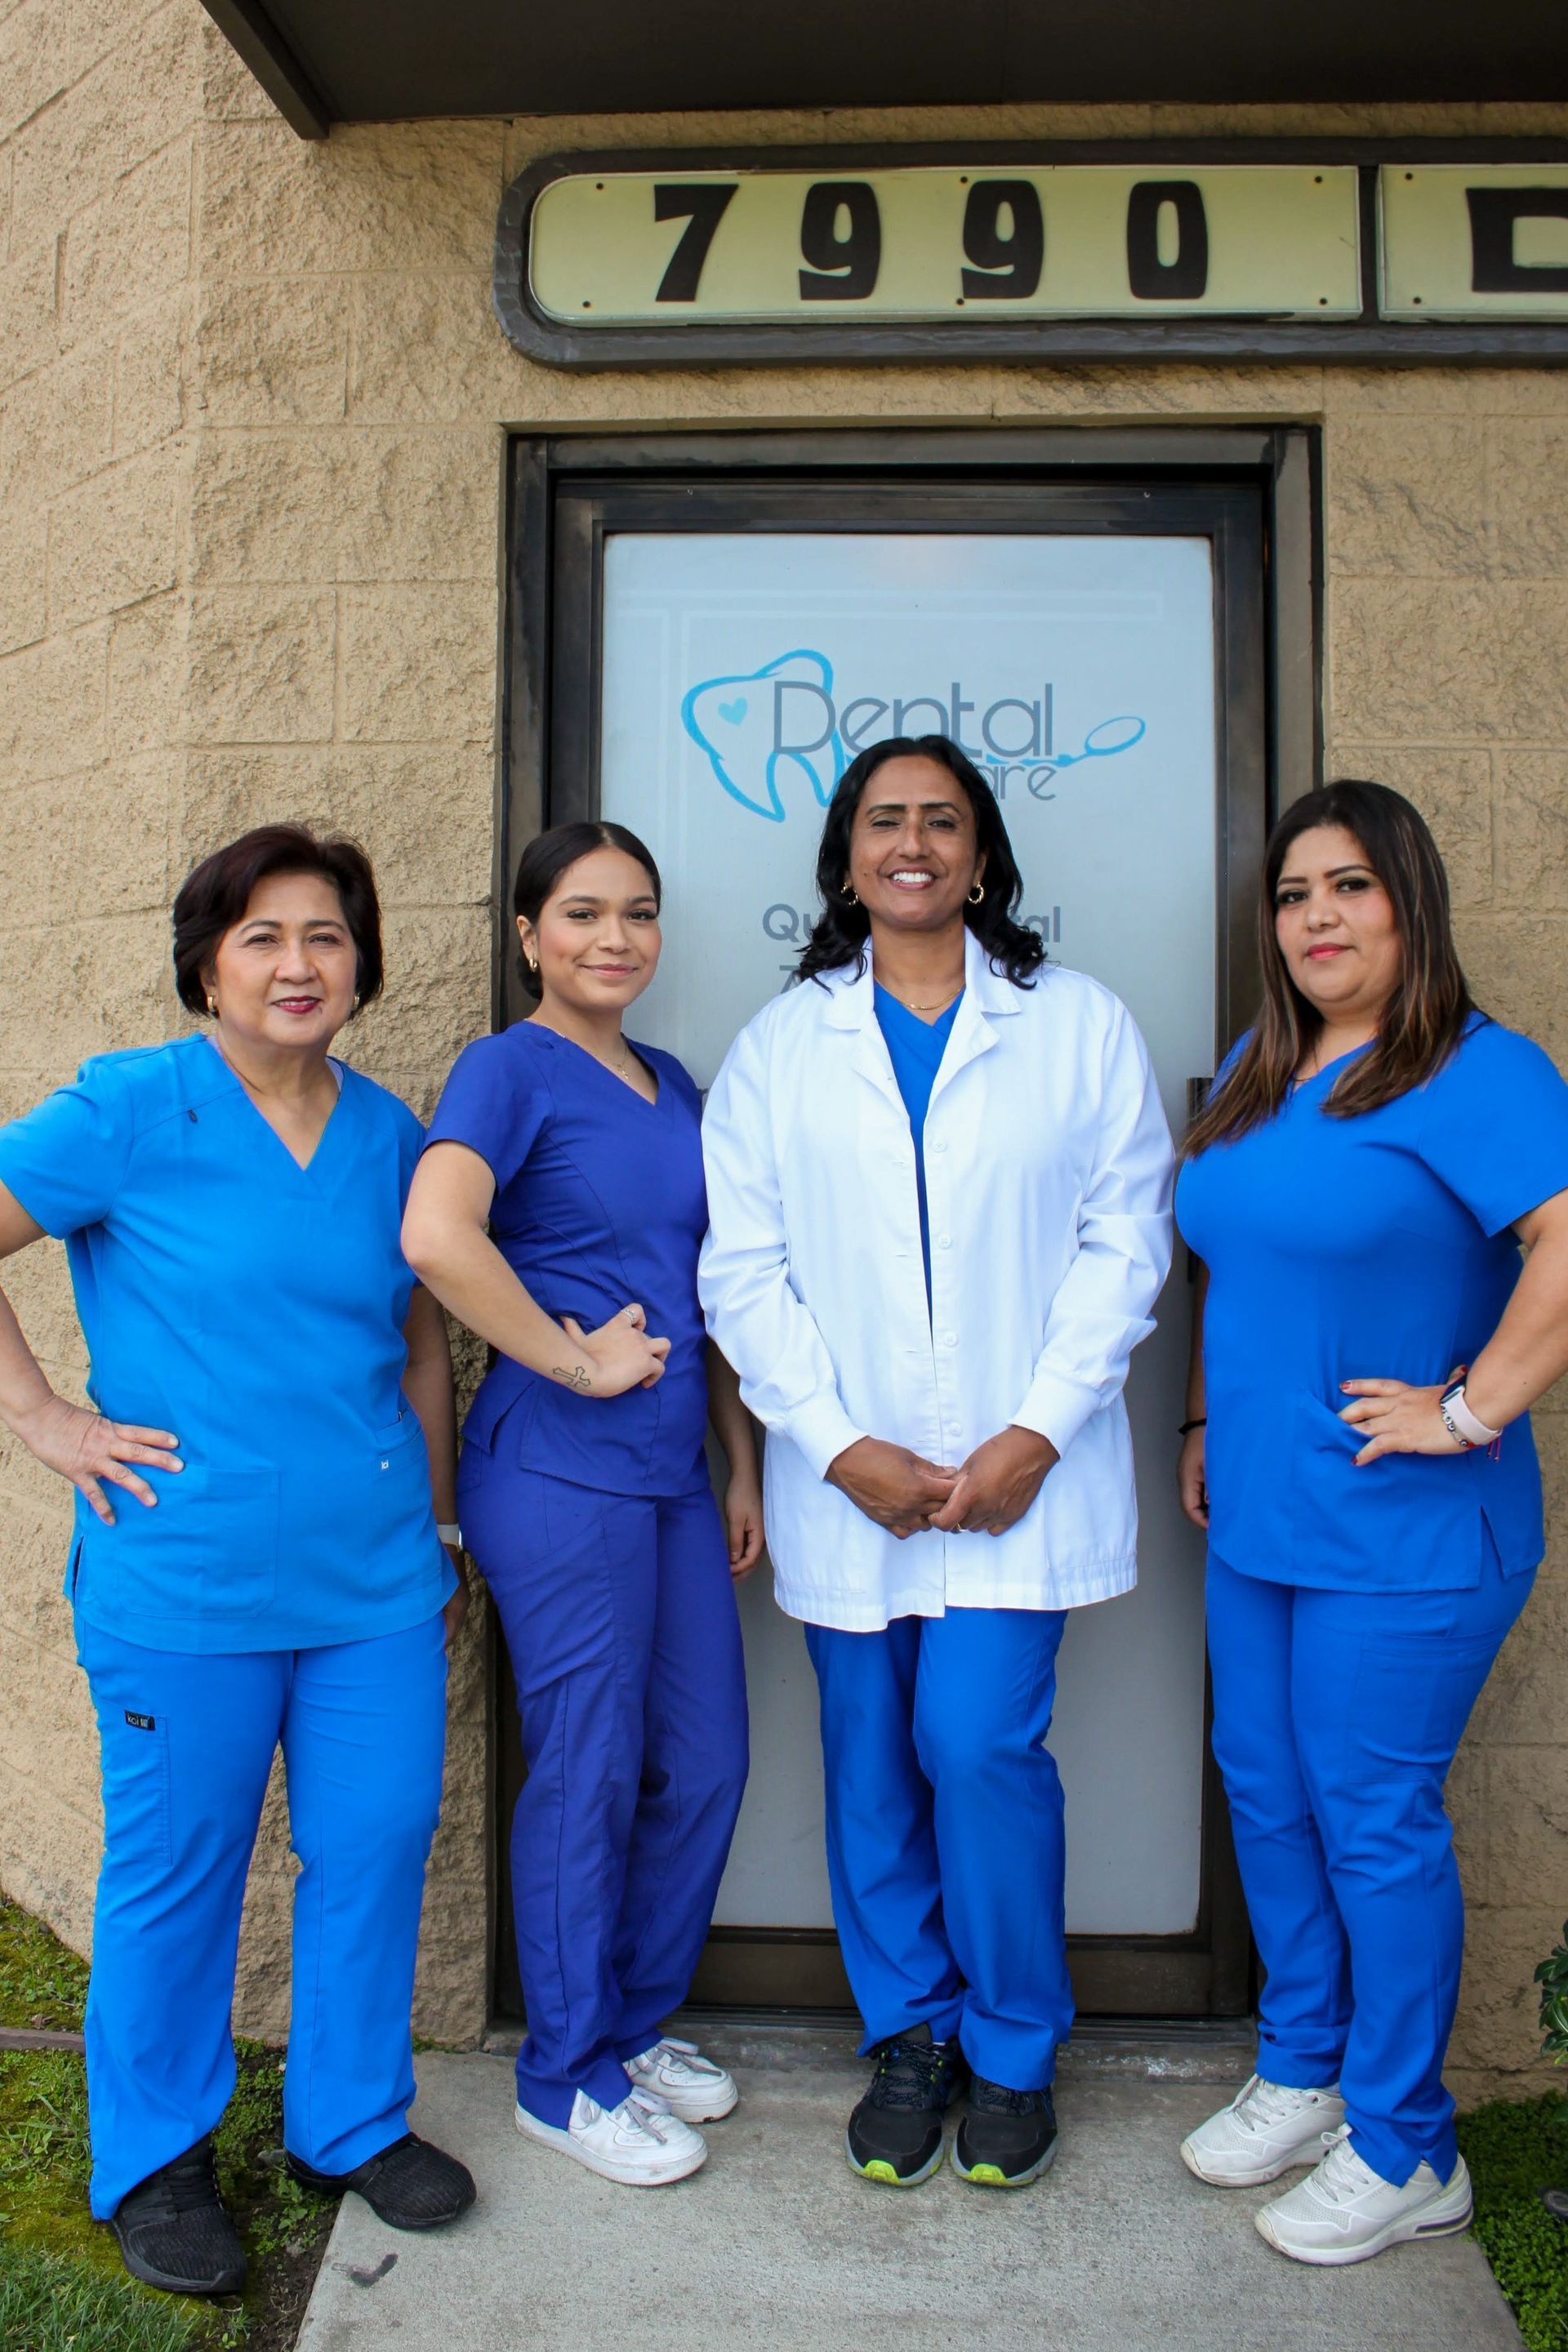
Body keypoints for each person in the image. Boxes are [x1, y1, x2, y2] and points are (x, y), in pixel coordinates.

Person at [0, 826, 477, 2300]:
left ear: (362, 964)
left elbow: (416, 1341)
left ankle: (348, 2122)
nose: (297, 964)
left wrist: (441, 1520)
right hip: (184, 1581)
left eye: (326, 936)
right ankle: (152, 2157)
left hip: (374, 1584)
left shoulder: (392, 1134)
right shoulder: (131, 1111)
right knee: (179, 1869)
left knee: (379, 1841)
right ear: (208, 959)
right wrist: (45, 1420)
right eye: (264, 935)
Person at [698, 735, 1174, 2190]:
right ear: (846, 854)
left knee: (976, 1746)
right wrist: (838, 1450)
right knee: (868, 1767)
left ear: (982, 854)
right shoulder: (785, 1046)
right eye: (885, 821)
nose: (914, 843)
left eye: (944, 822)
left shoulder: (1076, 1024)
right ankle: (912, 2033)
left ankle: (1017, 2047)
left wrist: (1039, 1428)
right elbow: (742, 1271)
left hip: (1021, 1484)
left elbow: (1127, 1234)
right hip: (856, 1486)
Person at [1175, 778, 1568, 2266]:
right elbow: (1235, 1261)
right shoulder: (1262, 1066)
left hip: (1410, 1534)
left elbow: (1565, 1242)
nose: (1317, 919)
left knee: (1373, 1821)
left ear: (1411, 901)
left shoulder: (1479, 1071)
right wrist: (1208, 1420)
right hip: (1265, 1521)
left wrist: (1466, 1409)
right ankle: (1309, 2062)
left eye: (1349, 888)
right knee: (1268, 1797)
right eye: (1292, 896)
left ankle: (1410, 2147)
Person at [402, 820, 759, 2189]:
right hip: (554, 1476)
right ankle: (562, 2076)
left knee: (708, 1761)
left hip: (672, 1479)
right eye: (584, 913)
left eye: (640, 913)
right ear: (529, 935)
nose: (615, 938)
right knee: (593, 1768)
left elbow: (701, 1290)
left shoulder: (672, 1079)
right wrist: (567, 1354)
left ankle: (628, 2021)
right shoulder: (506, 1068)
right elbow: (437, 1234)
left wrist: (740, 1459)